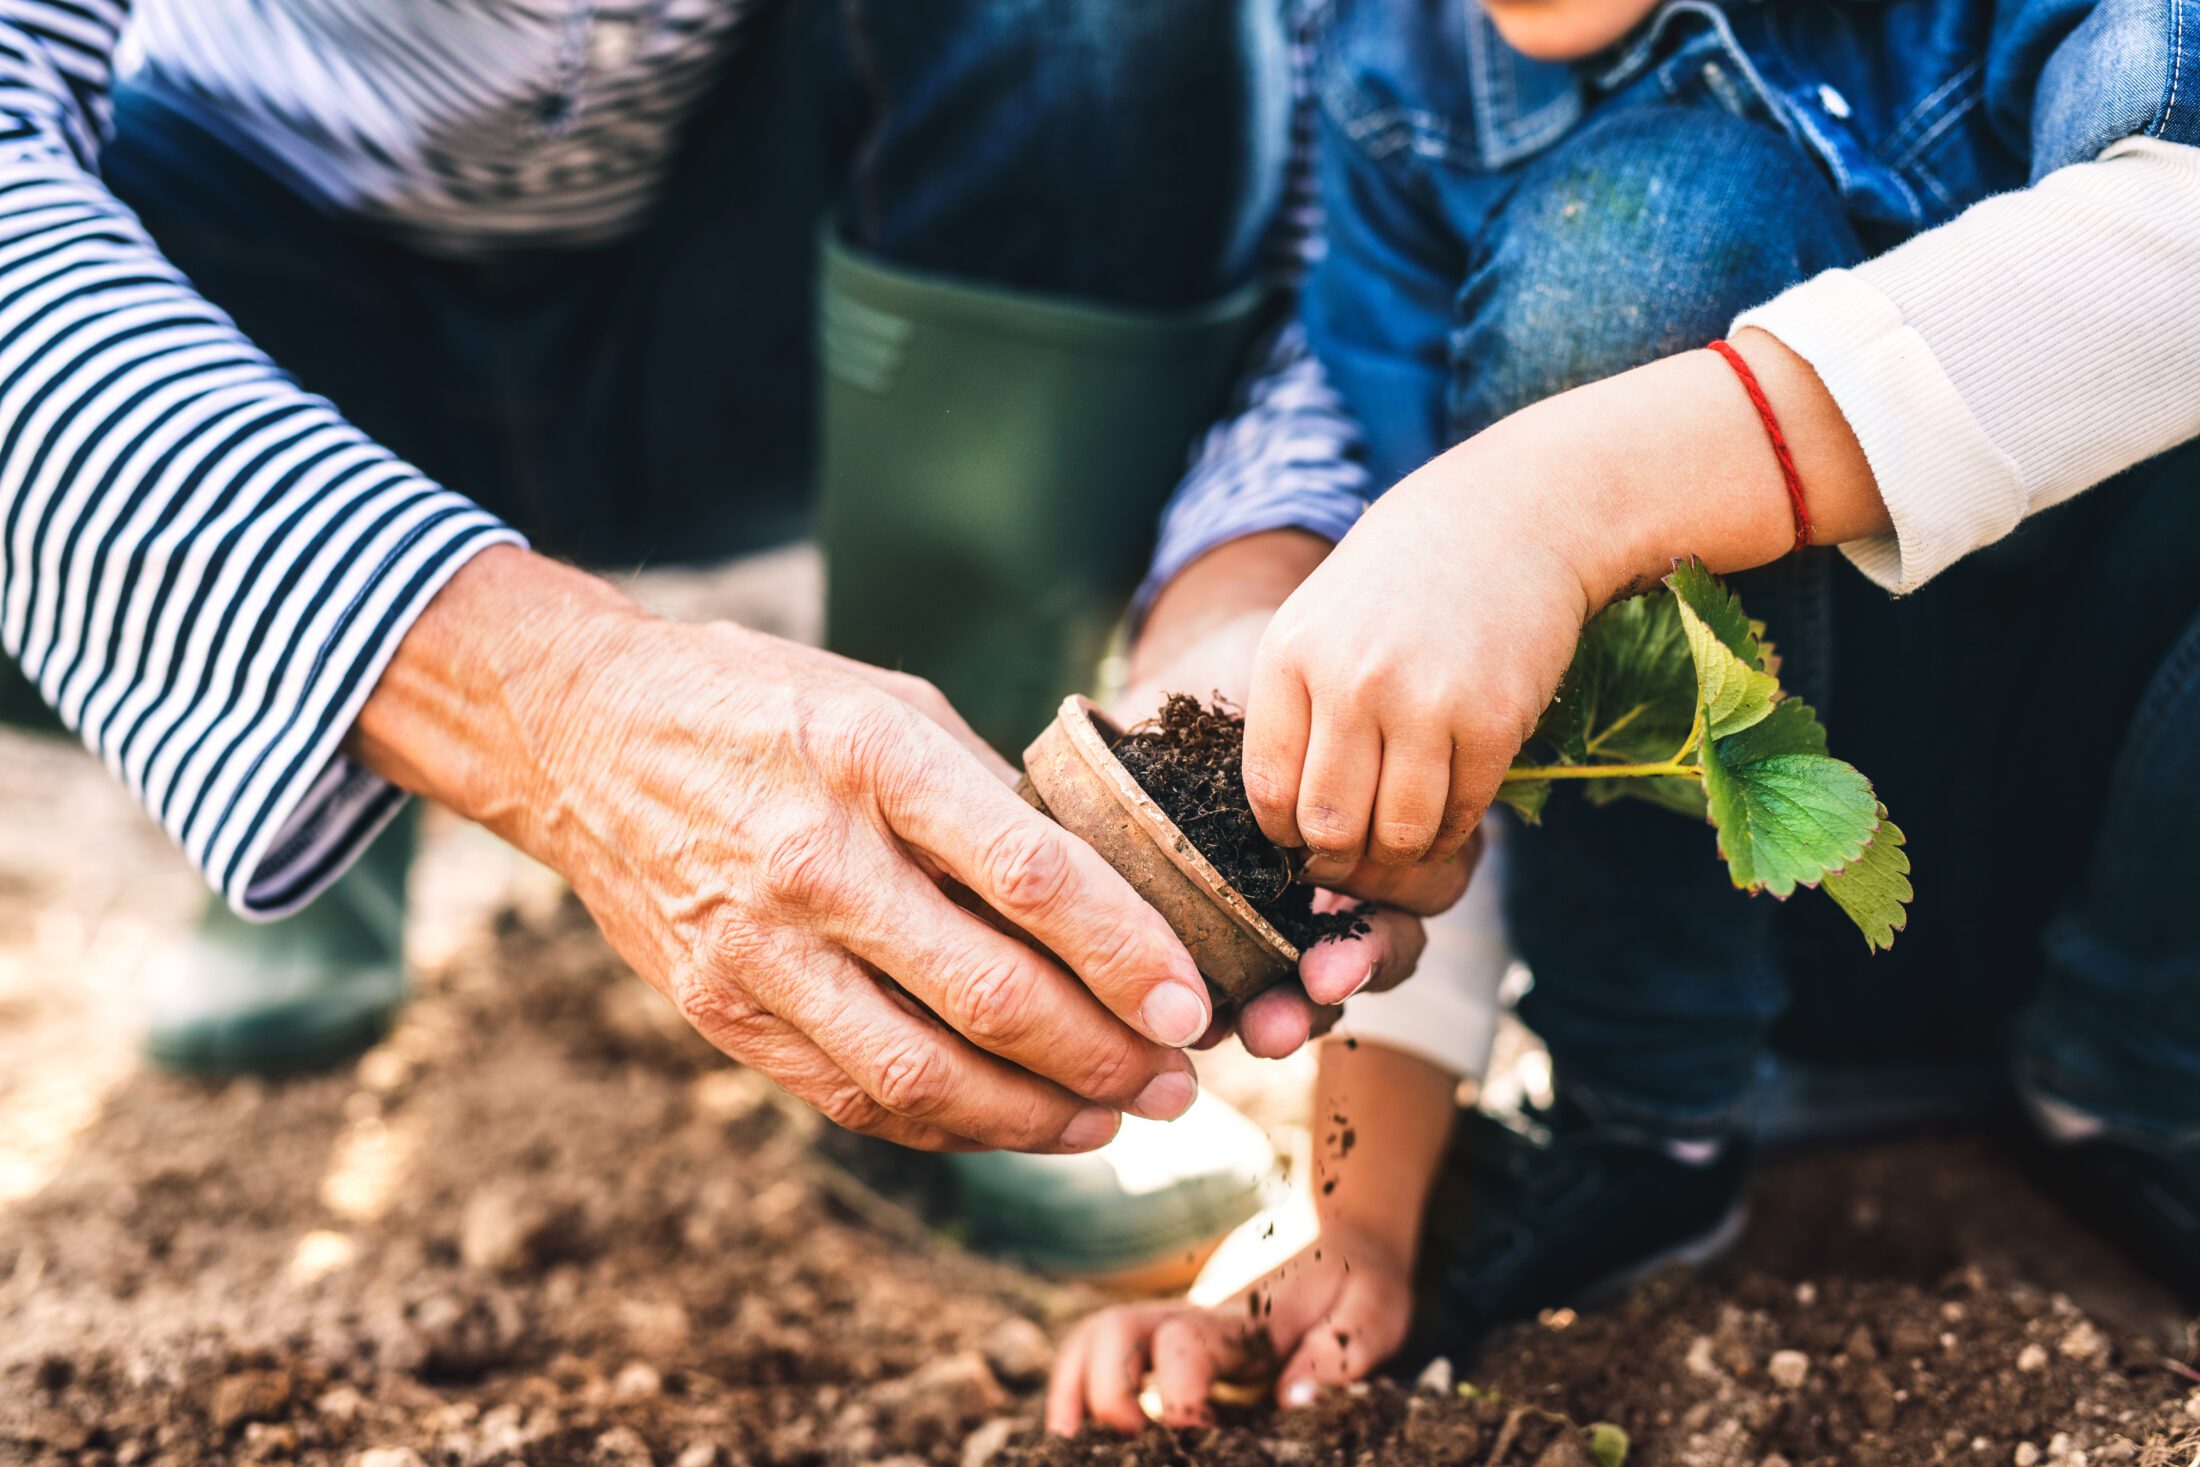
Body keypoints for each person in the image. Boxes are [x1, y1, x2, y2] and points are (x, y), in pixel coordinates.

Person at [0, 0, 1460, 1156]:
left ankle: (963, 932)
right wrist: (542, 702)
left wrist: (1249, 565)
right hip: (241, 279)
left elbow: (1353, 132)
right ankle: (321, 774)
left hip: (746, 297)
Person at [1045, 0, 2200, 1431]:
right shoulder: (1399, 82)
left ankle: (2144, 1085)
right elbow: (1417, 676)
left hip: (2138, 861)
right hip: (1734, 953)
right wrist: (1355, 1215)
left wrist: (1564, 496)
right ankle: (1646, 1122)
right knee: (1644, 227)